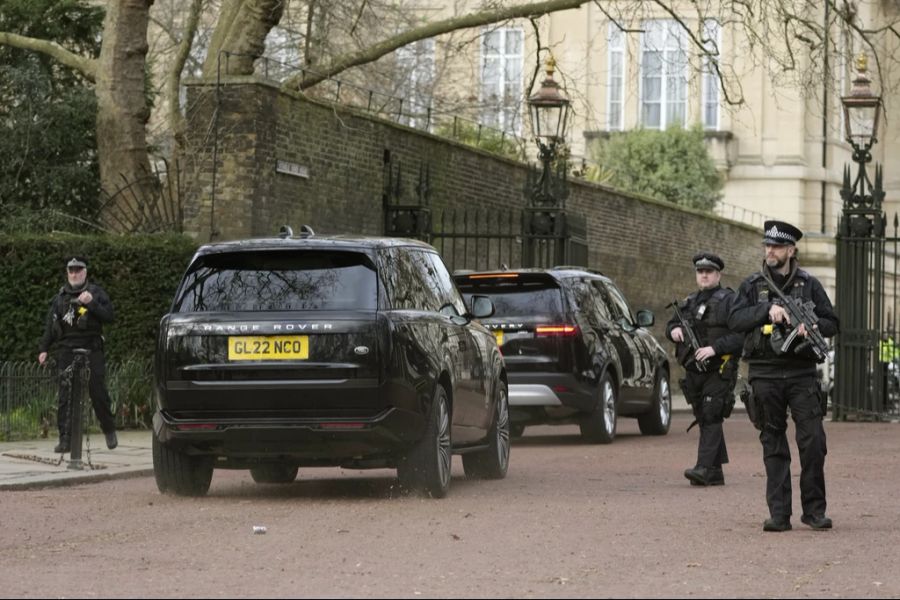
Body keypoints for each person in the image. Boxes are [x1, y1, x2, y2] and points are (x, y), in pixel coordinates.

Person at [728, 221, 839, 532]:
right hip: (764, 373)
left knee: (813, 442)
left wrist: (813, 324)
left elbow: (833, 322)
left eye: (777, 246)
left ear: (791, 250)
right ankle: (779, 514)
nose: (770, 251)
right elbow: (734, 320)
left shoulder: (809, 284)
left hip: (802, 373)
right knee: (773, 443)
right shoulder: (752, 285)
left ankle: (814, 511)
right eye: (767, 246)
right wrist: (767, 311)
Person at [666, 252, 743, 486]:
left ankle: (704, 467)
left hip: (719, 368)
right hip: (694, 371)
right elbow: (671, 324)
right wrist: (674, 331)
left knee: (711, 414)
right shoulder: (690, 301)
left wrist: (714, 349)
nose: (704, 275)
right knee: (703, 415)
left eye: (709, 271)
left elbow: (741, 336)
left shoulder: (730, 300)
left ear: (718, 274)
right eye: (700, 272)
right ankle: (715, 470)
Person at [37, 257, 118, 453]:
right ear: (67, 273)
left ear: (85, 272)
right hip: (66, 350)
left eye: (78, 270)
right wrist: (43, 348)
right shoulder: (60, 298)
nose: (74, 274)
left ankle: (108, 429)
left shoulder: (96, 293)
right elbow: (51, 325)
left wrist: (92, 304)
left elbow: (110, 317)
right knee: (65, 396)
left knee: (97, 392)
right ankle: (65, 439)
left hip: (92, 348)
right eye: (71, 270)